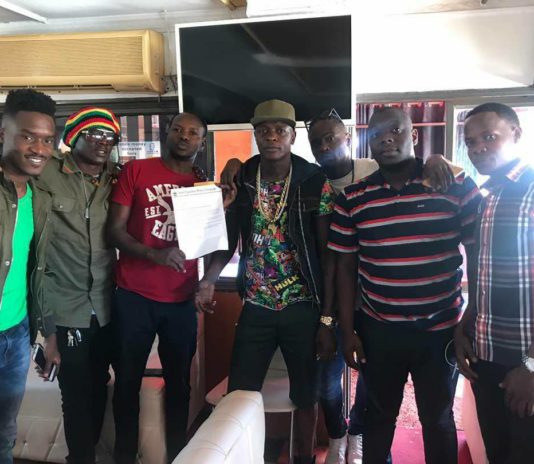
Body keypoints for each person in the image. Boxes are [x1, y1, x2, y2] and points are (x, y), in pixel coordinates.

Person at [220, 107, 454, 464]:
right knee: (331, 385)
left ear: (349, 137)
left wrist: (437, 159)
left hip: (392, 310)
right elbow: (334, 260)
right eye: (318, 142)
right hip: (346, 303)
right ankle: (339, 434)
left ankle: (355, 432)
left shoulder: (371, 168)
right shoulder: (323, 183)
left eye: (331, 138)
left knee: (388, 395)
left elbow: (418, 165)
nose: (325, 146)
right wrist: (330, 320)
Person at [328, 107, 481, 464]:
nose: (385, 138)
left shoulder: (455, 185)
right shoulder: (353, 197)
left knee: (437, 418)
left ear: (413, 135)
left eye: (395, 130)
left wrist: (470, 318)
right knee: (378, 417)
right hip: (380, 330)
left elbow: (479, 257)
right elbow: (345, 268)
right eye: (376, 133)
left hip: (441, 330)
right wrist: (348, 331)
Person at [196, 99, 335, 464]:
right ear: (255, 135)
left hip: (302, 306)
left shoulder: (314, 182)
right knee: (240, 393)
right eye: (264, 131)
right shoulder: (242, 178)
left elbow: (327, 256)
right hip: (256, 305)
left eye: (280, 130)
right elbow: (227, 240)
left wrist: (327, 317)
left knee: (306, 395)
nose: (272, 137)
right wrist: (209, 278)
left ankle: (304, 458)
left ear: (292, 136)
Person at [108, 112, 210, 463]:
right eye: (178, 129)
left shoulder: (202, 183)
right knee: (126, 382)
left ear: (202, 142)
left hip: (181, 299)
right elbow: (114, 231)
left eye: (193, 133)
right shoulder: (136, 171)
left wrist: (208, 281)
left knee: (180, 384)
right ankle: (124, 456)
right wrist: (155, 254)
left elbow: (210, 240)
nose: (184, 136)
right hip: (133, 296)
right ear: (167, 132)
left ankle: (177, 455)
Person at [35, 107, 122, 464]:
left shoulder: (119, 177)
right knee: (74, 392)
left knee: (100, 382)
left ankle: (90, 454)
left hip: (106, 303)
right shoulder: (47, 173)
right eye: (94, 134)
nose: (103, 142)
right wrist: (46, 329)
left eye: (109, 136)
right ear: (74, 137)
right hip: (64, 303)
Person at [454, 102, 534, 463]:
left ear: (515, 134)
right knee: (497, 452)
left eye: (489, 137)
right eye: (471, 142)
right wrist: (465, 326)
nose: (478, 148)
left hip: (524, 361)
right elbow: (485, 276)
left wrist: (531, 366)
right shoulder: (488, 198)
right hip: (486, 357)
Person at [0, 89, 56, 464]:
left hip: (17, 334)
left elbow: (38, 270)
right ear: (3, 134)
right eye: (28, 136)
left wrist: (48, 334)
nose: (39, 148)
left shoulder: (39, 197)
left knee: (5, 432)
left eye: (47, 140)